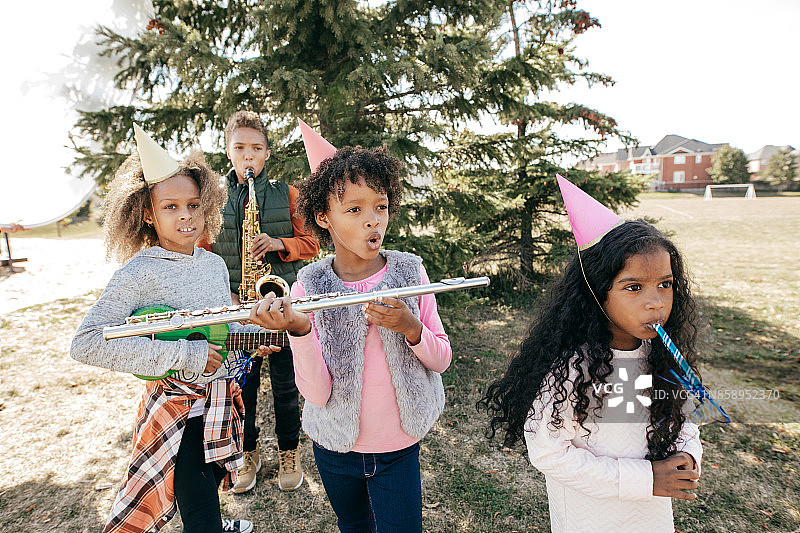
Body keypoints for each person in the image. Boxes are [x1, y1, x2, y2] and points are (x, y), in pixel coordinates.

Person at [247, 127, 452, 533]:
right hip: (335, 448)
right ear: (323, 217)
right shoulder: (309, 286)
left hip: (398, 446)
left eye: (380, 206)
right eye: (354, 210)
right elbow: (318, 394)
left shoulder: (410, 271)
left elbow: (442, 358)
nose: (373, 220)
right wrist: (300, 330)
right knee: (353, 527)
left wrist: (411, 327)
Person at [70, 124, 268, 533]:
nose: (186, 217)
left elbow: (218, 330)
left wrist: (253, 337)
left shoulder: (213, 264)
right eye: (171, 207)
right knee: (199, 515)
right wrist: (183, 355)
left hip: (220, 403)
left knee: (208, 488)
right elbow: (85, 343)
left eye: (194, 205)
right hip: (176, 413)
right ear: (147, 212)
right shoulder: (141, 271)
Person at [479, 175, 704, 533]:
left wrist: (689, 453)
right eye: (634, 287)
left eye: (665, 284)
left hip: (650, 516)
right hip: (591, 518)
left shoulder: (661, 357)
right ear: (598, 295)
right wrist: (645, 479)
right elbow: (549, 453)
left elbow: (682, 417)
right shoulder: (573, 369)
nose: (656, 302)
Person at [199, 110, 320, 493]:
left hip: (282, 307)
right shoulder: (213, 200)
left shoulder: (288, 194)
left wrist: (280, 243)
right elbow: (202, 253)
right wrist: (226, 293)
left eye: (256, 148)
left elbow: (313, 244)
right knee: (243, 388)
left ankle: (289, 452)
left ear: (267, 154)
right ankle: (247, 454)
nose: (248, 155)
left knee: (286, 389)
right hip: (239, 309)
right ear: (229, 153)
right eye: (240, 148)